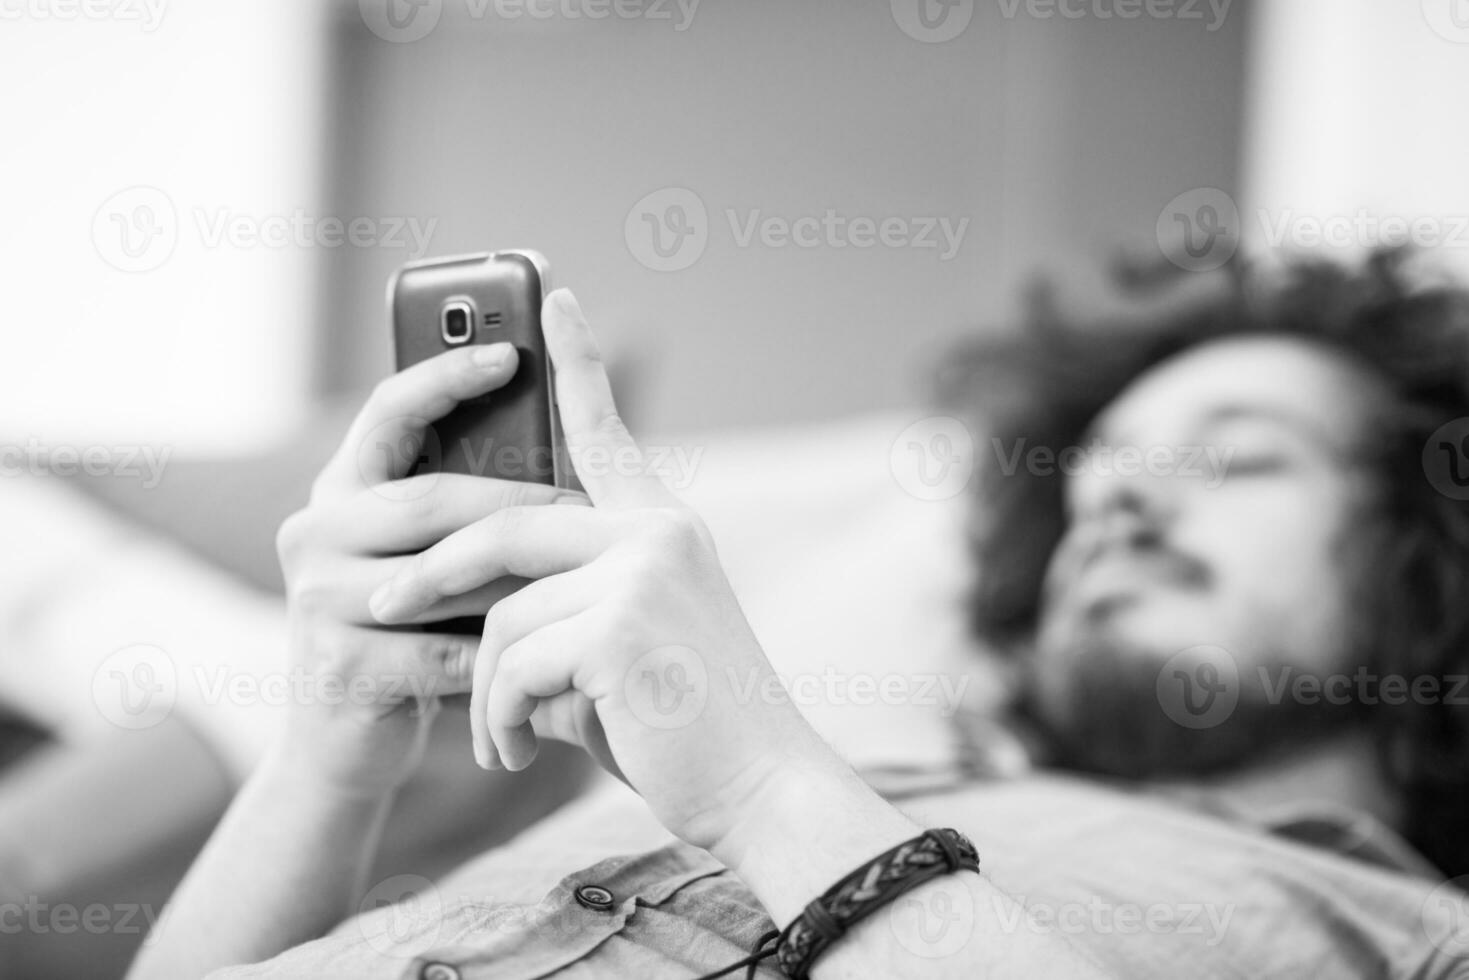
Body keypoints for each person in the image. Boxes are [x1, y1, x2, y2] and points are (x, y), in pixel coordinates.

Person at [131, 264, 1469, 978]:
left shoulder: (1409, 933)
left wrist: (767, 789)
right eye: (1096, 477)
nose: (1115, 506)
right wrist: (323, 768)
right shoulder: (809, 779)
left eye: (1230, 460)